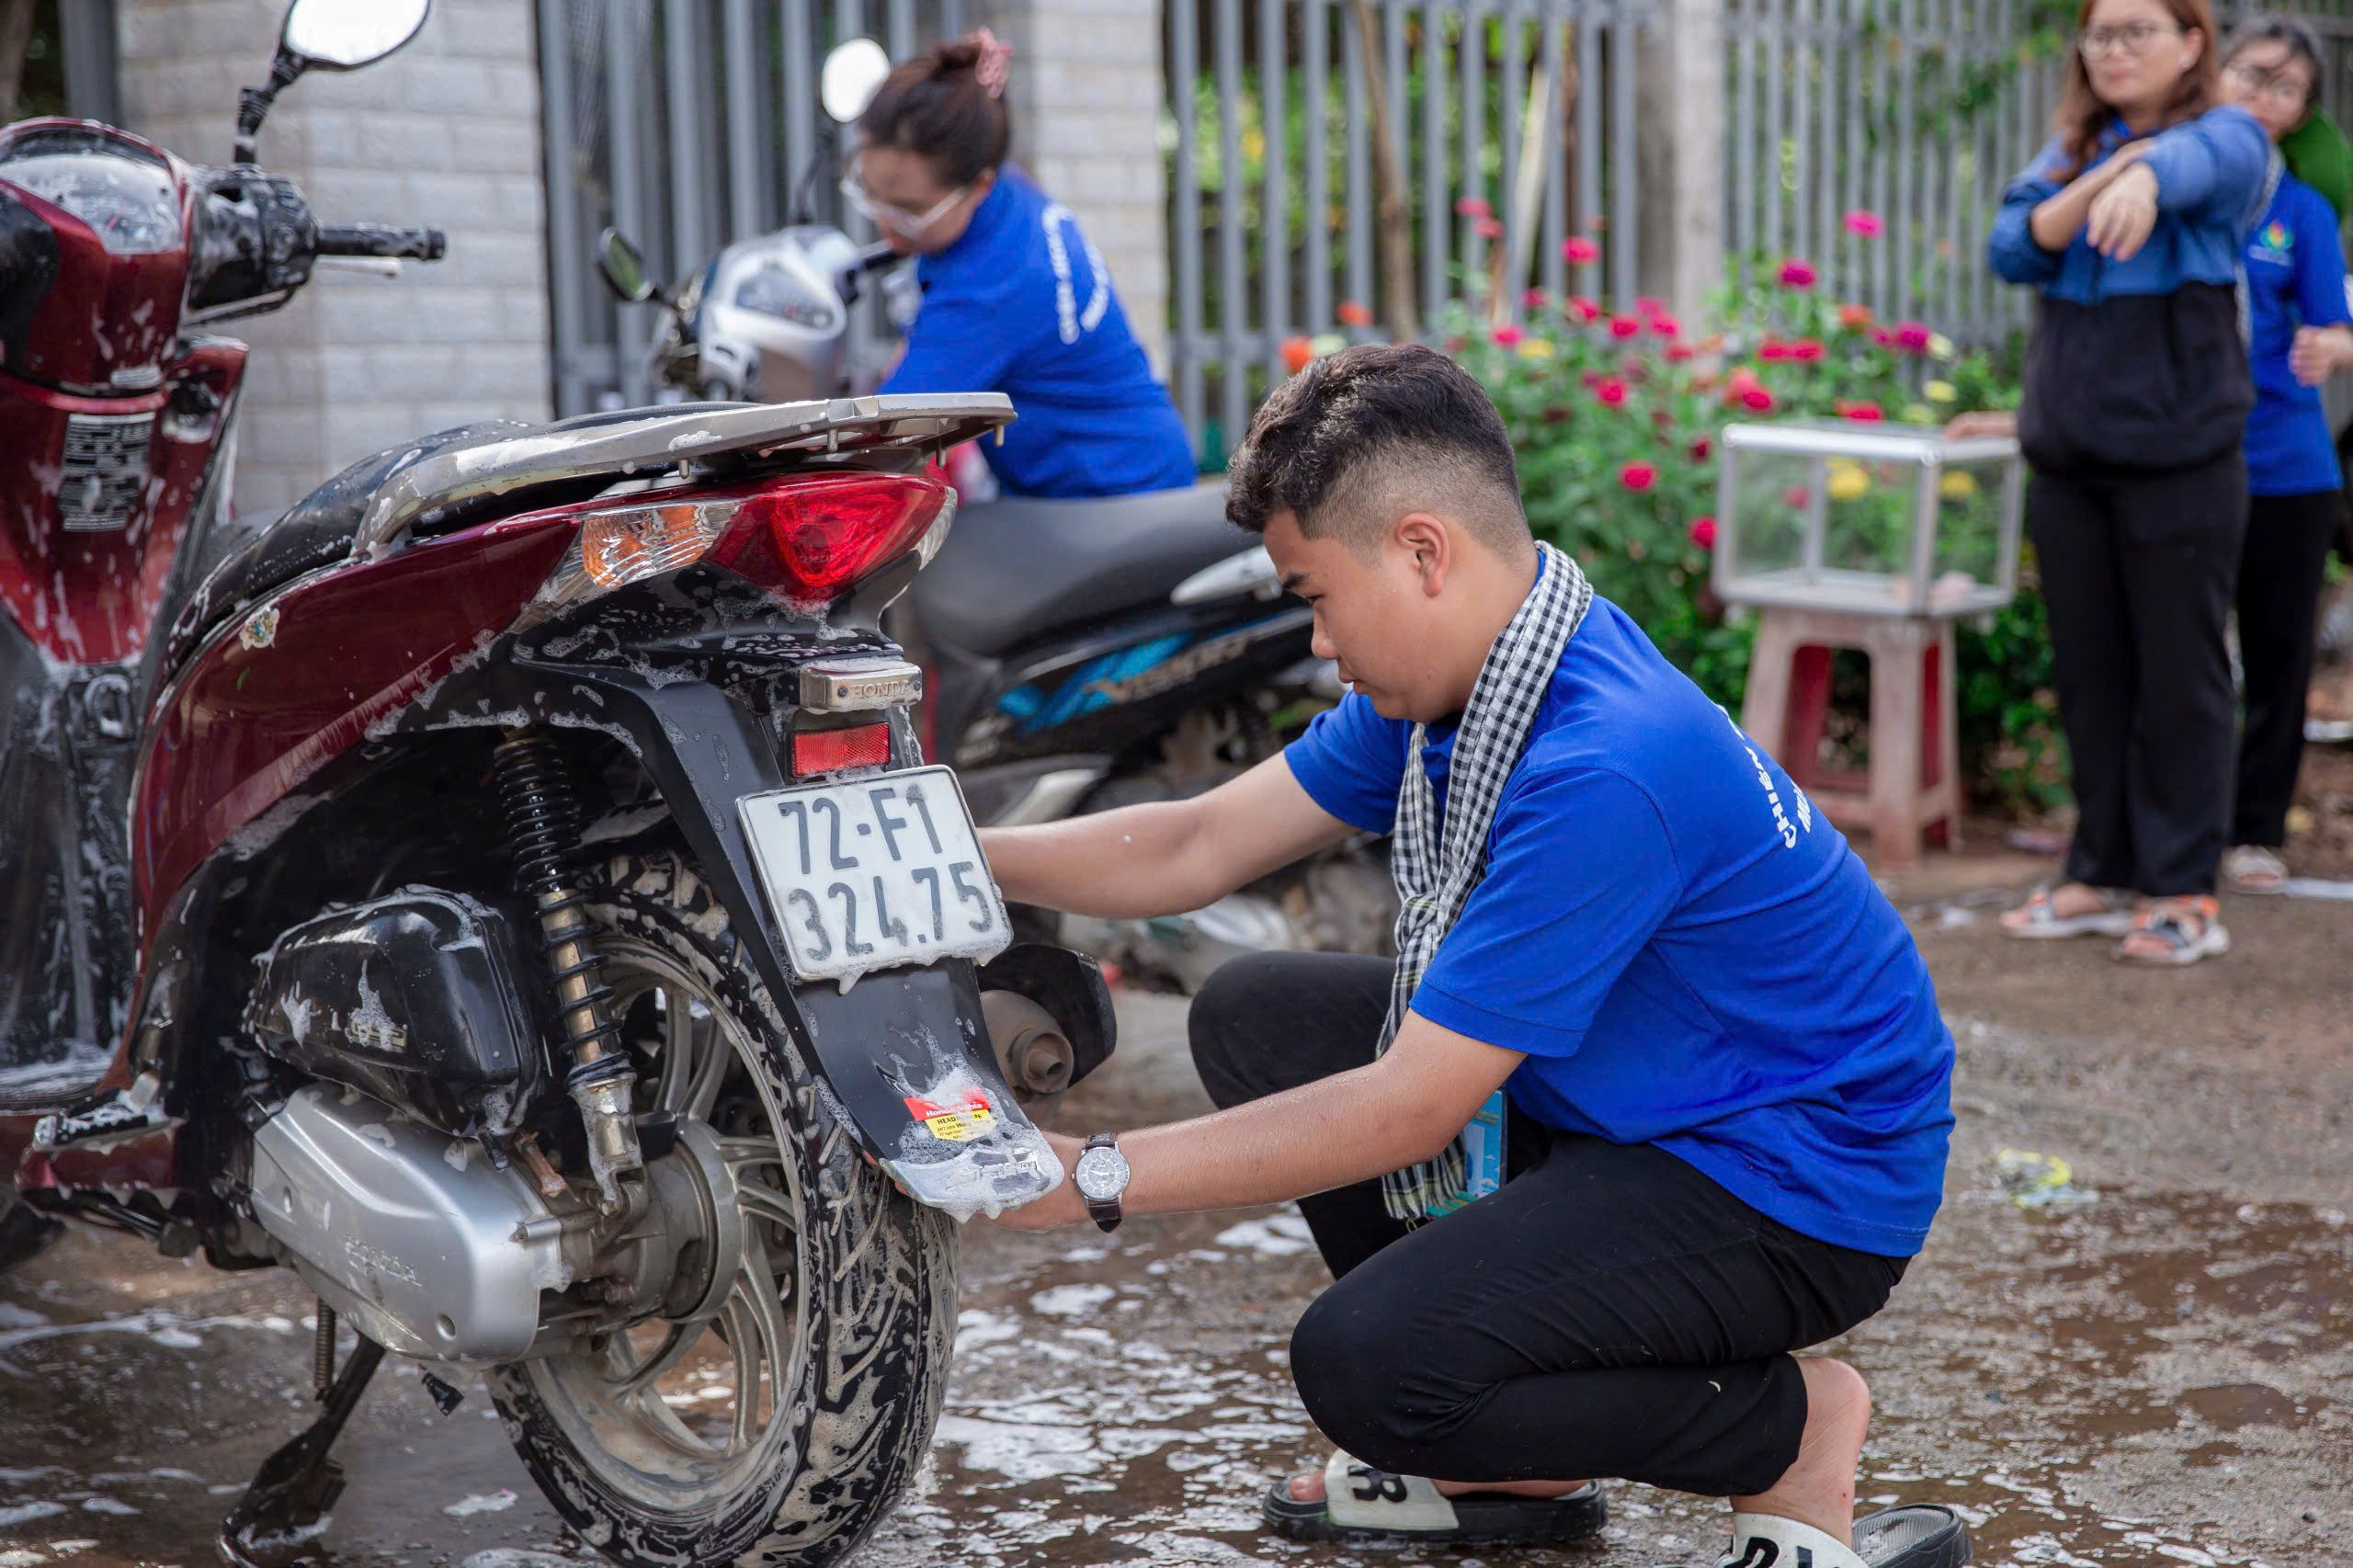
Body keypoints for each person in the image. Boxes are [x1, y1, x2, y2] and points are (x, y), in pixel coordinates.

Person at [977, 345, 1967, 1568]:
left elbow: (1412, 1107)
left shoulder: (1601, 760)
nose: (1322, 644)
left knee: (1364, 1362)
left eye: (1315, 596)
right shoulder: (1479, 686)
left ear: (1422, 552)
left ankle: (1793, 1431)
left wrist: (1096, 1172)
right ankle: (1519, 1448)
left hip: (1794, 1181)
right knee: (1257, 1015)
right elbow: (1195, 839)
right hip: (1648, 1101)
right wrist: (955, 855)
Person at [1988, 0, 2272, 965]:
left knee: (2181, 675)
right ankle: (2096, 871)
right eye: (2099, 34)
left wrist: (2148, 169)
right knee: (2091, 675)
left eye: (2136, 31)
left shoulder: (2227, 136)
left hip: (2181, 465)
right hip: (2070, 464)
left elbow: (2210, 165)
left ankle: (2182, 886)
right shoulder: (2071, 145)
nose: (2111, 50)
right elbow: (2012, 243)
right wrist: (2112, 167)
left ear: (2192, 43)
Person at [850, 29, 1196, 499]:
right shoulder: (1005, 205)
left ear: (977, 187)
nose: (886, 225)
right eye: (871, 195)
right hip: (1120, 472)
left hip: (1112, 498)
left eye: (910, 209)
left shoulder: (997, 282)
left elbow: (876, 439)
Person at [2216, 17, 2353, 895]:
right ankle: (2171, 826)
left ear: (2305, 111)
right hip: (2185, 461)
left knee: (2278, 658)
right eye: (2253, 75)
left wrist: (2334, 347)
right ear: (2215, 76)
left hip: (2289, 466)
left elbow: (2335, 319)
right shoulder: (2173, 181)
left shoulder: (2301, 210)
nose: (2266, 97)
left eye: (2287, 87)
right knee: (2181, 655)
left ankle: (2256, 830)